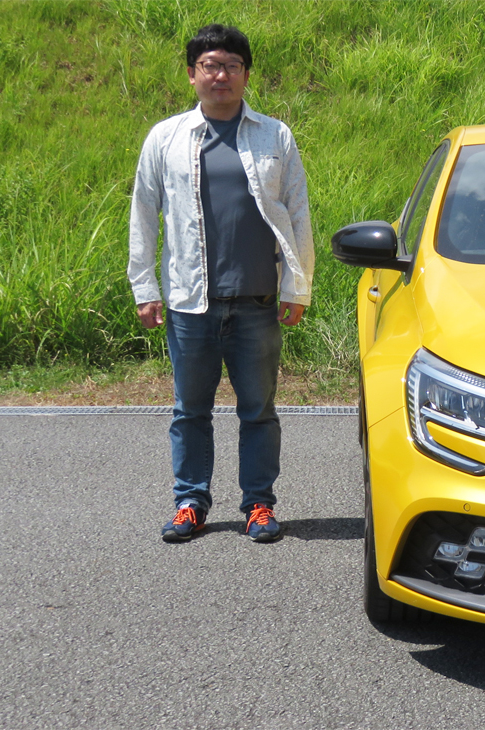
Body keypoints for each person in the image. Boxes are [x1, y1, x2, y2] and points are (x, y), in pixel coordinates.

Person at [127, 24, 314, 543]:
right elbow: (143, 214)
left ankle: (259, 505)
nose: (221, 75)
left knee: (259, 412)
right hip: (191, 304)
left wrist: (297, 286)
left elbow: (298, 212)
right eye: (210, 65)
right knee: (190, 411)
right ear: (192, 74)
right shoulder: (166, 138)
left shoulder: (274, 136)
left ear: (246, 75)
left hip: (257, 303)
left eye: (232, 66)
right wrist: (145, 287)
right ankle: (191, 503)